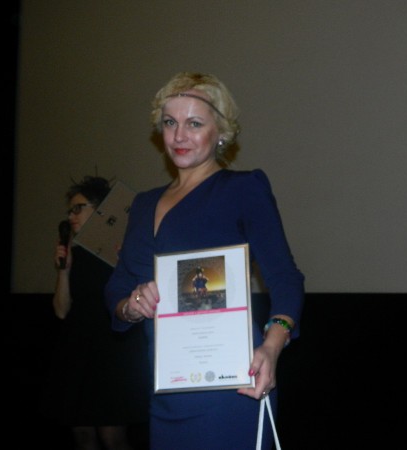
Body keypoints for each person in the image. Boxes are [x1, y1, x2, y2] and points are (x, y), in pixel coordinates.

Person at [104, 72, 305, 449]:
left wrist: (272, 345)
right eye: (170, 122)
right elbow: (118, 288)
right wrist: (131, 306)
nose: (179, 135)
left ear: (221, 132)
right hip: (167, 384)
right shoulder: (143, 204)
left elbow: (285, 277)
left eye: (194, 123)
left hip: (231, 385)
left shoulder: (242, 189)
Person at [39, 175, 150, 450]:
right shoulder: (74, 256)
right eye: (69, 211)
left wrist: (127, 260)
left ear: (101, 210)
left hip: (112, 350)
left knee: (112, 434)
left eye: (79, 208)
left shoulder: (124, 251)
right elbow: (61, 311)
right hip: (78, 350)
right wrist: (64, 271)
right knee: (82, 433)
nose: (71, 216)